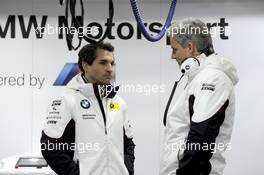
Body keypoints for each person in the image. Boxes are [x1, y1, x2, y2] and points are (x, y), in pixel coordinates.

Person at [40, 42, 135, 175]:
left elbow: (129, 145)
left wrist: (126, 171)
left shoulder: (119, 102)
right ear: (86, 66)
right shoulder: (67, 100)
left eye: (112, 63)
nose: (110, 69)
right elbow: (50, 147)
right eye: (103, 63)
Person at [160, 18, 239, 175]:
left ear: (190, 47)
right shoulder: (199, 78)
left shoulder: (212, 79)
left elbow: (200, 139)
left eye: (174, 49)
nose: (172, 56)